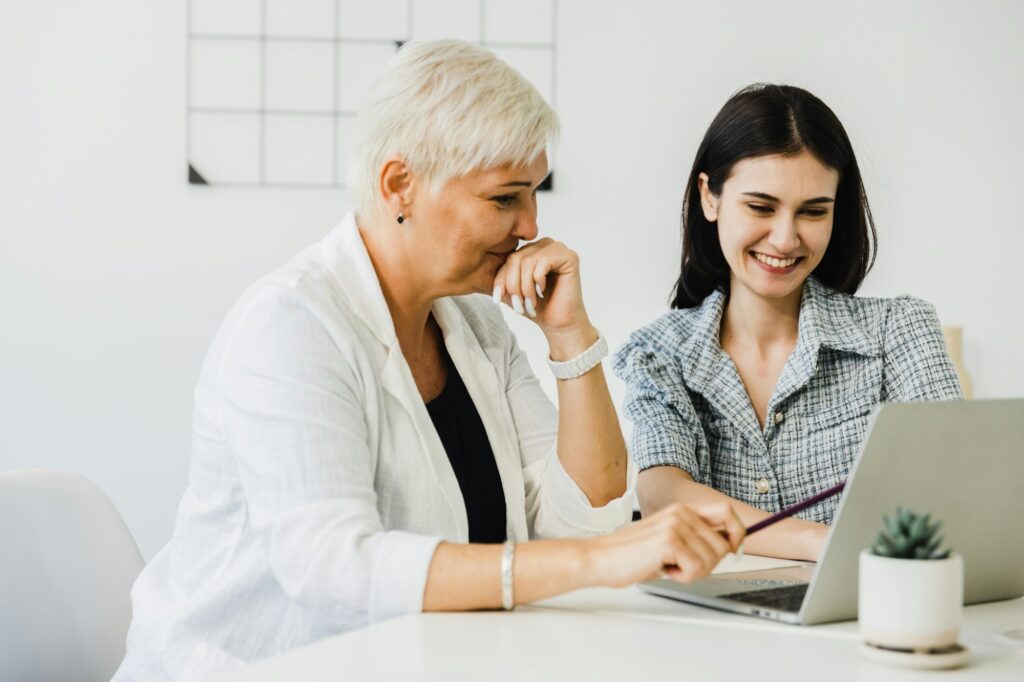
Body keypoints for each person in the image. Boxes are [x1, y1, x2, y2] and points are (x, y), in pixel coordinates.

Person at [113, 40, 743, 681]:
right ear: (399, 186)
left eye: (533, 195)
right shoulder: (290, 325)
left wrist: (570, 336)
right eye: (504, 198)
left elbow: (579, 520)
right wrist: (604, 563)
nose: (531, 225)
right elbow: (335, 569)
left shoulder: (473, 322)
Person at [613, 83, 961, 563]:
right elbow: (663, 495)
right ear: (709, 198)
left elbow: (954, 490)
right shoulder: (659, 352)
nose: (784, 238)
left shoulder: (899, 331)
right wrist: (822, 542)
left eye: (813, 211)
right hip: (712, 631)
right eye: (760, 207)